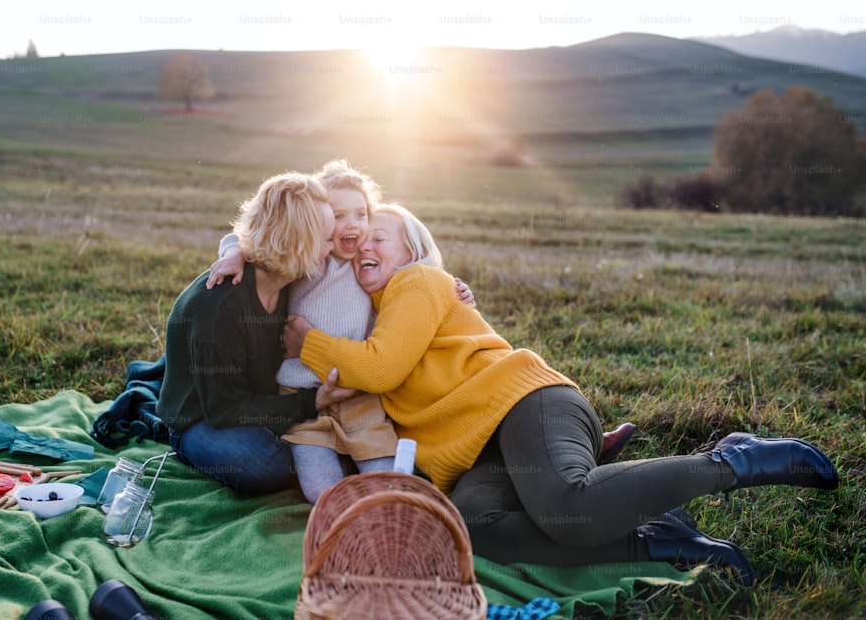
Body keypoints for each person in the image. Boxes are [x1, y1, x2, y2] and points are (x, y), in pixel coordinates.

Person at [283, 203, 839, 583]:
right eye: (359, 249)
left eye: (380, 237)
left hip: (524, 401)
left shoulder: (418, 283)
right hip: (485, 451)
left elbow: (378, 370)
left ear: (412, 250)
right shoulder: (370, 322)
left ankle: (734, 461)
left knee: (568, 505)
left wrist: (307, 341)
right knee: (473, 528)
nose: (365, 250)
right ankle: (658, 541)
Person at [207, 161, 399, 503]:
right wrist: (233, 253)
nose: (352, 225)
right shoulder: (307, 257)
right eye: (339, 217)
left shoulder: (369, 261)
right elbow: (244, 235)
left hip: (358, 397)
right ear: (318, 223)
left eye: (361, 214)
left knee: (389, 480)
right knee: (319, 490)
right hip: (300, 397)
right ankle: (343, 520)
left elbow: (417, 266)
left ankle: (383, 516)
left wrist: (456, 290)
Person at [156, 171, 356, 495]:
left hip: (255, 399)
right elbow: (224, 410)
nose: (332, 248)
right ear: (297, 243)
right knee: (264, 465)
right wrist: (312, 402)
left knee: (305, 449)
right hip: (200, 418)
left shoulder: (287, 277)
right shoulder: (220, 309)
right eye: (326, 239)